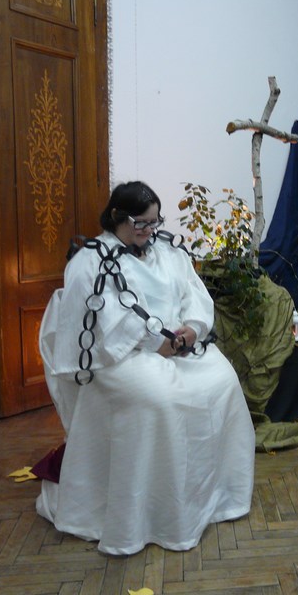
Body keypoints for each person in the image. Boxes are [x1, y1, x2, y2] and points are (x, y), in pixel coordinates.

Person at [36, 181, 255, 555]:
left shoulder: (167, 252)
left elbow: (193, 294)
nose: (150, 230)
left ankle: (216, 498)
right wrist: (157, 344)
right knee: (162, 399)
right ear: (117, 217)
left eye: (155, 222)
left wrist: (192, 329)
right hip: (121, 356)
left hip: (177, 346)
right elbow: (103, 324)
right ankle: (158, 516)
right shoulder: (91, 261)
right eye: (142, 223)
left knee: (223, 380)